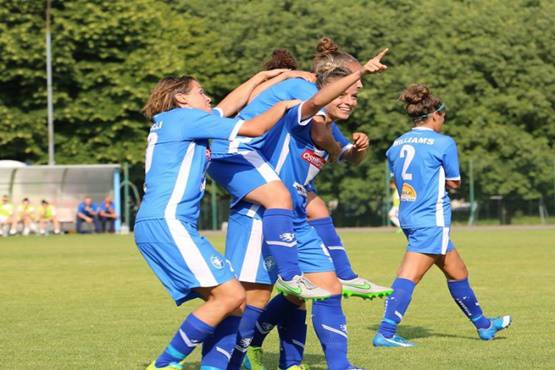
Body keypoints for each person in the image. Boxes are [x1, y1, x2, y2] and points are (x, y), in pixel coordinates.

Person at [224, 52, 389, 370]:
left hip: (296, 219)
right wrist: (359, 73)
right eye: (345, 92)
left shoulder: (329, 125)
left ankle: (339, 365)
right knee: (251, 301)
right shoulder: (301, 112)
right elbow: (316, 120)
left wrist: (358, 151)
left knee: (329, 288)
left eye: (355, 95)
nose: (351, 100)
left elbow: (346, 157)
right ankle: (229, 360)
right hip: (262, 215)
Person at [134, 70, 301, 370]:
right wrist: (285, 104)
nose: (207, 96)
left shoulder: (179, 120)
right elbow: (252, 127)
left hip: (164, 223)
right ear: (181, 97)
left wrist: (263, 77)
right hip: (168, 221)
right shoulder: (184, 119)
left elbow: (228, 105)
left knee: (235, 302)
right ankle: (164, 364)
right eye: (200, 91)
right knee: (231, 296)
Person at [373, 84, 511, 348]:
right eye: (443, 117)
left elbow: (397, 179)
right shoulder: (443, 143)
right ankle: (386, 332)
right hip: (431, 219)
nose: (443, 122)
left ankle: (484, 326)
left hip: (409, 216)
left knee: (458, 272)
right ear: (435, 115)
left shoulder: (397, 143)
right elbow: (455, 183)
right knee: (408, 276)